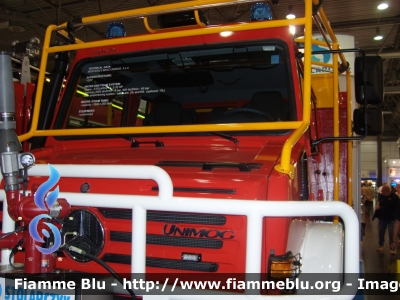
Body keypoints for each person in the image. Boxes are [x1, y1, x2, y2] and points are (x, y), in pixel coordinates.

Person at [375, 184, 400, 254]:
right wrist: (378, 207)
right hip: (382, 218)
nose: (381, 191)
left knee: (392, 233)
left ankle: (392, 247)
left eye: (383, 190)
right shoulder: (382, 196)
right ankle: (381, 244)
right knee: (381, 232)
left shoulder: (395, 197)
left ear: (386, 191)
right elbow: (379, 203)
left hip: (392, 219)